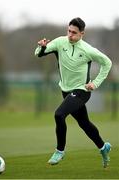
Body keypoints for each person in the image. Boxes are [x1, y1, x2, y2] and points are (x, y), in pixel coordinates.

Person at [34, 17, 112, 168]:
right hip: (66, 91)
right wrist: (42, 47)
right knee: (85, 124)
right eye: (69, 31)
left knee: (59, 114)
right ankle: (103, 148)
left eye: (74, 33)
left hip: (82, 91)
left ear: (82, 33)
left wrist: (95, 83)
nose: (70, 35)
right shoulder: (60, 42)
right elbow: (39, 53)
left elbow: (107, 63)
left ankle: (60, 151)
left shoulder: (88, 49)